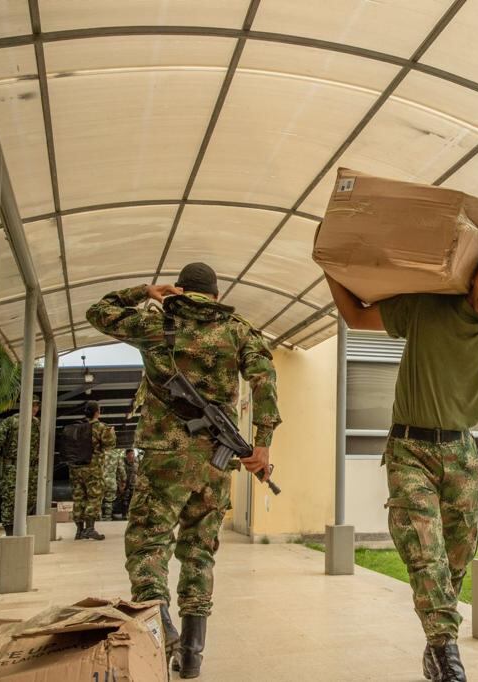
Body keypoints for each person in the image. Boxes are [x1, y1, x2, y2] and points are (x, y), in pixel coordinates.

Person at [326, 221, 478, 682]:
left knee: (455, 560)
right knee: (424, 552)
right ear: (472, 276)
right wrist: (330, 265)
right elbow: (356, 315)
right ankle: (446, 652)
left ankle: (437, 644)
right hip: (409, 448)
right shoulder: (425, 308)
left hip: (462, 453)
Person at [86, 261, 281, 679]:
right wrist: (262, 442)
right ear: (216, 294)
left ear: (178, 289)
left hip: (164, 458)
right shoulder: (237, 329)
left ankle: (163, 629)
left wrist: (145, 291)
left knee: (148, 545)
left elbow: (98, 311)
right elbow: (265, 377)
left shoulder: (156, 323)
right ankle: (192, 654)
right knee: (199, 552)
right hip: (214, 463)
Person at [0, 396, 40, 535]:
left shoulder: (36, 424)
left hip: (31, 468)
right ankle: (10, 530)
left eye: (36, 405)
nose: (34, 408)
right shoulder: (10, 422)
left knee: (31, 498)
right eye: (32, 405)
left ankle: (21, 525)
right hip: (12, 467)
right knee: (10, 498)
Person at [69, 400, 117, 541]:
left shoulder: (77, 427)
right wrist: (112, 433)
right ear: (97, 412)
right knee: (94, 497)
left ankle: (79, 531)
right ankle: (90, 528)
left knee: (78, 497)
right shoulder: (101, 427)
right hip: (92, 468)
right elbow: (110, 445)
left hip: (75, 469)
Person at [100, 447, 126, 521]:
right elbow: (121, 469)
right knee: (109, 501)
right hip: (111, 481)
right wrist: (124, 480)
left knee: (97, 501)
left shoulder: (99, 453)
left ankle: (97, 517)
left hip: (99, 481)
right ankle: (107, 517)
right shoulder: (116, 454)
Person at [113, 448, 138, 520]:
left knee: (132, 500)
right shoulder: (122, 463)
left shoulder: (136, 463)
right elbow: (119, 474)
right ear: (127, 455)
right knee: (124, 500)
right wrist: (120, 485)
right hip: (124, 485)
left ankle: (130, 514)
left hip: (133, 484)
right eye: (130, 454)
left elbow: (138, 473)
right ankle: (124, 514)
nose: (132, 456)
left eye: (133, 454)